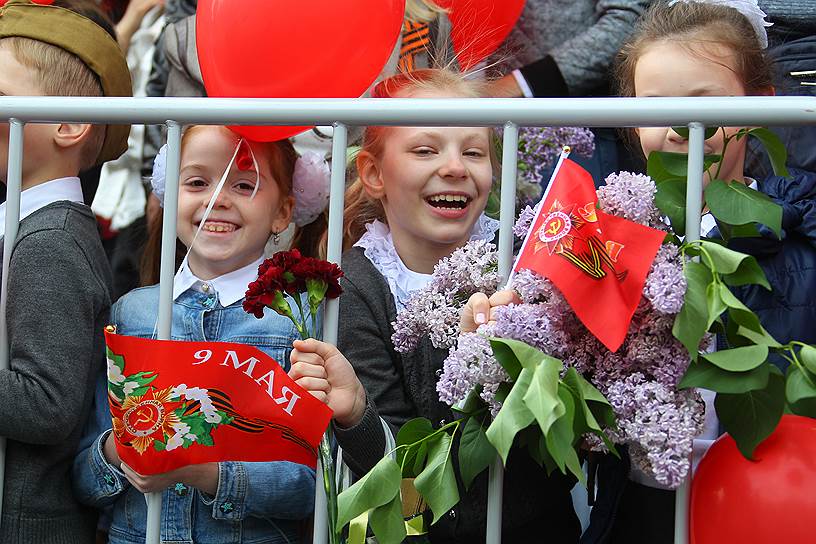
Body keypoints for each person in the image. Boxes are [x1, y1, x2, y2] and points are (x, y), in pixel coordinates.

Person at [290, 68, 580, 542]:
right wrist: (359, 414)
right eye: (426, 149)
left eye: (474, 151)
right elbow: (394, 469)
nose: (454, 167)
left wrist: (505, 366)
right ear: (374, 173)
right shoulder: (357, 284)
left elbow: (554, 444)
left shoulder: (529, 263)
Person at [581, 1, 816, 541]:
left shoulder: (799, 248)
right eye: (657, 106)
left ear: (762, 108)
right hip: (639, 514)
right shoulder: (603, 244)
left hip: (767, 512)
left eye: (704, 105)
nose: (683, 128)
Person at [73, 125, 320, 543]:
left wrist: (209, 474)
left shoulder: (297, 323)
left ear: (283, 212)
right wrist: (121, 450)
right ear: (170, 196)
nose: (217, 198)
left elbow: (307, 487)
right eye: (197, 182)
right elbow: (84, 476)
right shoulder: (131, 312)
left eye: (245, 184)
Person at [0, 1, 130, 541]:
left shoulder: (52, 239)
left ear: (69, 125)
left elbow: (48, 404)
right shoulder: (29, 223)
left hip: (28, 522)